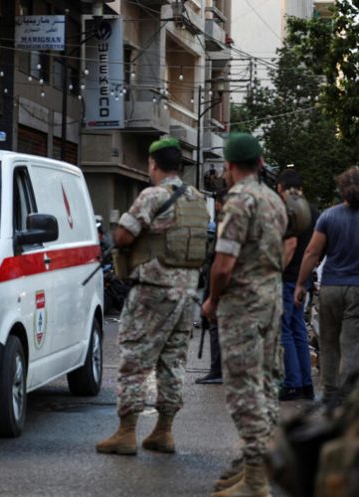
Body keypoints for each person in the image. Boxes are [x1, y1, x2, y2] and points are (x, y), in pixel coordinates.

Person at [95, 137, 208, 456]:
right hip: (187, 293)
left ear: (153, 164)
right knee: (172, 361)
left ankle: (126, 432)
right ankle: (164, 431)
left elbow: (122, 235)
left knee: (134, 359)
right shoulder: (197, 199)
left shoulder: (152, 196)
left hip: (153, 292)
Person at [202, 133, 287, 497]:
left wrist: (212, 300)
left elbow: (223, 265)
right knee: (266, 386)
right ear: (261, 162)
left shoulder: (239, 200)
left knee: (243, 390)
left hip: (244, 306)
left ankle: (255, 478)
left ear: (230, 167)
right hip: (270, 301)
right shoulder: (274, 200)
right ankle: (259, 465)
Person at [294, 166, 359, 403]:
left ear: (342, 190)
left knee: (328, 341)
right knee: (352, 342)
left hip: (331, 287)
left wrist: (300, 284)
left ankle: (331, 392)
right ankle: (350, 395)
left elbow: (312, 252)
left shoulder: (329, 216)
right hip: (358, 290)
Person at [276, 169, 319, 401]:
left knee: (285, 330)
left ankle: (292, 384)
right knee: (299, 329)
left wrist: (276, 271)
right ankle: (305, 384)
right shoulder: (312, 211)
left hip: (287, 278)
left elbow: (290, 244)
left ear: (281, 187)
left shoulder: (288, 209)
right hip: (303, 278)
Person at [196, 189, 228, 385]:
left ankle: (217, 369)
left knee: (215, 325)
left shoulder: (224, 224)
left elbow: (219, 258)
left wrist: (212, 296)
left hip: (220, 281)